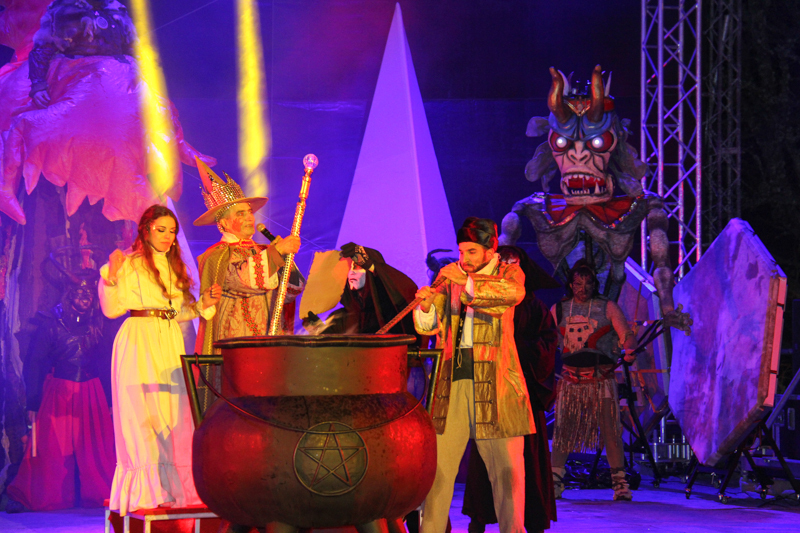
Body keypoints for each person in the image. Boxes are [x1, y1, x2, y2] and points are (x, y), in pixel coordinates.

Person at [99, 204, 221, 516]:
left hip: (168, 339)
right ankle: (145, 490)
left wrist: (201, 305)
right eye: (161, 230)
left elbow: (178, 312)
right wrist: (111, 276)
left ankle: (174, 489)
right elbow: (111, 309)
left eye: (172, 231)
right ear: (146, 229)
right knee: (140, 412)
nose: (168, 236)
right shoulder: (129, 263)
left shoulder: (174, 265)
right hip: (138, 339)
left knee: (172, 411)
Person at [414, 217, 535, 533]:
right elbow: (429, 327)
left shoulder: (508, 272)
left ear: (490, 250)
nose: (463, 258)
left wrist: (465, 282)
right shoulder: (449, 275)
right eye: (461, 251)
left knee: (507, 473)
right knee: (438, 471)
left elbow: (511, 294)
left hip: (497, 386)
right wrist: (426, 307)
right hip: (452, 383)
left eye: (471, 252)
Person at [462, 246, 559, 533]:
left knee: (525, 461)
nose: (507, 268)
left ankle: (532, 521)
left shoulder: (534, 307)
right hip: (488, 389)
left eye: (513, 263)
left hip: (522, 392)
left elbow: (548, 343)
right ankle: (480, 517)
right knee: (485, 460)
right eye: (502, 262)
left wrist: (514, 351)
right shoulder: (479, 303)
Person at [6, 270, 115, 512]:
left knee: (96, 450)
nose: (85, 297)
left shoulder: (99, 323)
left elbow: (106, 363)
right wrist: (33, 403)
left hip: (92, 392)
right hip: (60, 391)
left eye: (89, 293)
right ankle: (46, 496)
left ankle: (100, 495)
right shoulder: (51, 323)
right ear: (69, 293)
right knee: (53, 449)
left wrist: (109, 399)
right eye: (80, 292)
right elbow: (35, 364)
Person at [193, 159, 303, 357]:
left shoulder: (263, 250)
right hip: (235, 339)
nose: (249, 218)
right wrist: (277, 252)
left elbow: (289, 293)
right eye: (240, 214)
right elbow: (239, 279)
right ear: (224, 223)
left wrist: (287, 261)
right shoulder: (216, 256)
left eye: (250, 212)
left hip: (268, 337)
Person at [549, 259, 637, 501]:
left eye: (588, 283)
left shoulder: (607, 307)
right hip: (570, 379)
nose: (583, 289)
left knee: (611, 430)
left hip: (601, 379)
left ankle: (620, 484)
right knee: (563, 430)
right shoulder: (559, 309)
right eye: (578, 284)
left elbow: (627, 335)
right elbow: (546, 337)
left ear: (594, 284)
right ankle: (555, 481)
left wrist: (629, 348)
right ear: (570, 284)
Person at [305, 242, 419, 341]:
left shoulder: (390, 312)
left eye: (357, 267)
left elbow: (405, 291)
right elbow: (333, 350)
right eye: (348, 269)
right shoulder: (341, 317)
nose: (351, 273)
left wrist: (372, 266)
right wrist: (318, 330)